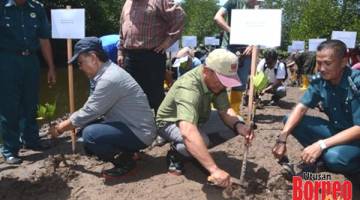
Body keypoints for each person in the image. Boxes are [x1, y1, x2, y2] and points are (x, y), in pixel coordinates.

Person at [55, 37, 157, 178]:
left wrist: (60, 128)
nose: (80, 67)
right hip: (133, 125)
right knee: (85, 133)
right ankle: (130, 152)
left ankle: (125, 162)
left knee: (90, 135)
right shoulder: (107, 72)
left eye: (80, 62)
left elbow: (90, 111)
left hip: (140, 132)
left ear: (93, 58)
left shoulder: (109, 78)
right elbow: (91, 107)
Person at [156, 49, 254, 188]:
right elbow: (188, 130)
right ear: (207, 71)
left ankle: (196, 149)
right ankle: (176, 153)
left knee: (236, 120)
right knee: (199, 139)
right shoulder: (189, 87)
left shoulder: (215, 83)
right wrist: (214, 169)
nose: (224, 86)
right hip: (169, 122)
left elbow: (225, 110)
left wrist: (239, 126)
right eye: (222, 80)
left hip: (199, 118)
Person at [272, 40, 360, 182]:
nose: (321, 68)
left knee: (333, 157)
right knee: (290, 120)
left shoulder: (356, 82)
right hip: (337, 132)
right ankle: (322, 159)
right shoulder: (321, 80)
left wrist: (321, 144)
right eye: (319, 63)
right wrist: (282, 138)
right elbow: (301, 108)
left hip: (357, 139)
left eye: (327, 63)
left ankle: (350, 168)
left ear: (344, 62)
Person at [0, 0, 56, 164]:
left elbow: (44, 39)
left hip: (31, 60)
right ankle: (10, 148)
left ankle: (31, 140)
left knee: (31, 102)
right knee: (9, 106)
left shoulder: (37, 8)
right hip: (6, 60)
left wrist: (51, 67)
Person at [118, 0, 185, 114]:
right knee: (131, 94)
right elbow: (122, 27)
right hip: (130, 56)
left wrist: (168, 42)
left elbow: (179, 16)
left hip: (152, 55)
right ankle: (137, 126)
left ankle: (163, 125)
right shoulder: (128, 3)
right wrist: (120, 51)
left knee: (155, 95)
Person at [214, 0, 259, 115]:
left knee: (240, 83)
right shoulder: (234, 2)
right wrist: (232, 31)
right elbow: (217, 17)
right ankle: (215, 110)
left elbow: (260, 30)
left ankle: (234, 112)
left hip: (247, 50)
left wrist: (253, 44)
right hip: (228, 48)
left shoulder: (258, 8)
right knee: (219, 79)